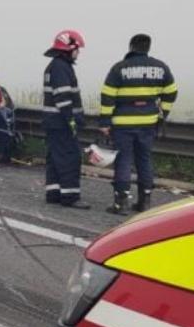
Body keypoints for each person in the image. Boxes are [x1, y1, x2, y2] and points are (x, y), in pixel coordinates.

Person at [100, 33, 177, 214]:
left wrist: (105, 122)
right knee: (144, 160)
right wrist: (162, 114)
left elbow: (107, 96)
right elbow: (172, 92)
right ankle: (145, 202)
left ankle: (121, 204)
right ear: (147, 47)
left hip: (123, 124)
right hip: (148, 124)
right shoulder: (161, 67)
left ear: (131, 47)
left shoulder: (119, 68)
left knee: (123, 161)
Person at [42, 29, 89, 209]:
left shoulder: (55, 65)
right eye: (77, 48)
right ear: (69, 48)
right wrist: (71, 120)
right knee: (70, 157)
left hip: (53, 122)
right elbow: (63, 97)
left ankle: (54, 193)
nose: (79, 52)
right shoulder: (61, 67)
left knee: (55, 158)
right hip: (61, 122)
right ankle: (70, 197)